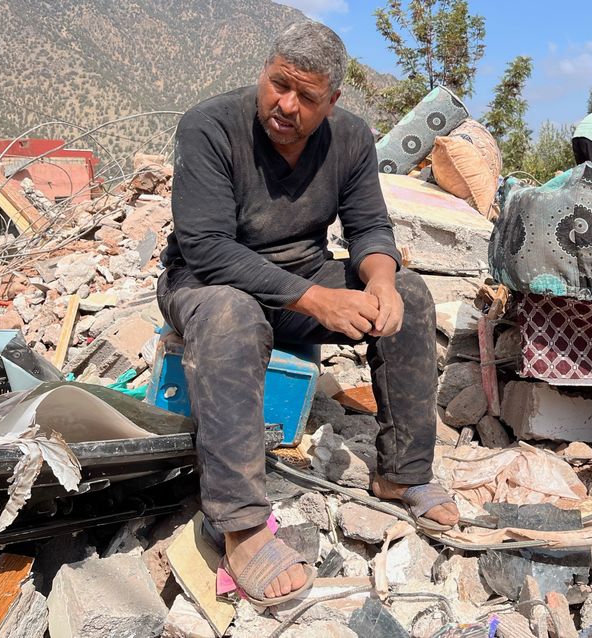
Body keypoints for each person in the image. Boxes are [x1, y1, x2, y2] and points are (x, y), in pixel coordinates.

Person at [158, 20, 458, 606]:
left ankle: (402, 473)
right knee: (233, 316)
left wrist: (382, 283)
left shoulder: (349, 137)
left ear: (333, 102)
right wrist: (317, 299)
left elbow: (370, 226)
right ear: (264, 72)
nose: (285, 105)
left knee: (413, 296)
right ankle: (240, 526)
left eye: (306, 97)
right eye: (277, 85)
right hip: (206, 280)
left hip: (300, 274)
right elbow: (206, 248)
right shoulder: (209, 127)